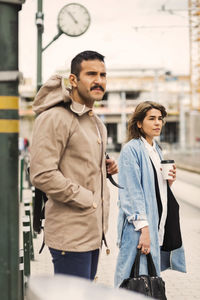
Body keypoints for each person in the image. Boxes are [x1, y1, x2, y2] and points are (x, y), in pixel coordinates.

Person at [30, 50, 118, 280]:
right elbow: (42, 174)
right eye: (91, 74)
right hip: (70, 235)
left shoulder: (96, 122)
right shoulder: (55, 118)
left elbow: (78, 162)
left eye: (103, 75)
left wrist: (104, 166)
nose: (99, 80)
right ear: (73, 80)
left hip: (92, 232)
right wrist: (87, 198)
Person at [114, 101, 186, 288]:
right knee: (129, 280)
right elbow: (130, 192)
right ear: (139, 123)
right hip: (138, 228)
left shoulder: (157, 150)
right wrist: (144, 230)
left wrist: (168, 182)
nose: (157, 123)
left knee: (147, 281)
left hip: (154, 223)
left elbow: (154, 187)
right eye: (151, 118)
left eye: (160, 119)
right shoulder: (131, 150)